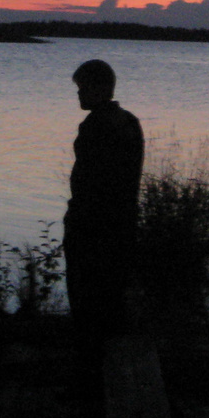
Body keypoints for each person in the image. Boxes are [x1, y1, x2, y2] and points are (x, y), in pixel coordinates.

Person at [63, 59, 144, 371]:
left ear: (100, 88)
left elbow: (89, 182)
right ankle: (113, 374)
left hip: (93, 230)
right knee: (113, 305)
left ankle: (90, 375)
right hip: (121, 227)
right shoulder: (129, 121)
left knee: (87, 305)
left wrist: (77, 221)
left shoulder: (97, 125)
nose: (79, 95)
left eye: (83, 88)